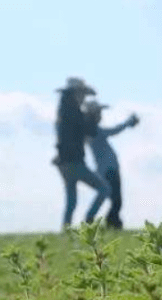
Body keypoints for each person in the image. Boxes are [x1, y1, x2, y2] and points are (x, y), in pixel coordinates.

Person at [52, 77, 110, 228]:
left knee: (71, 201)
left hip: (64, 163)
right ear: (74, 93)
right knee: (104, 189)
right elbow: (89, 130)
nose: (83, 97)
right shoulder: (73, 113)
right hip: (74, 163)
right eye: (81, 93)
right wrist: (92, 116)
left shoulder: (64, 112)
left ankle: (66, 228)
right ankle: (89, 221)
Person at [83, 101, 139, 229]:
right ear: (94, 115)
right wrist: (128, 122)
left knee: (115, 200)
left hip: (107, 169)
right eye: (99, 112)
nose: (101, 115)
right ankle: (111, 223)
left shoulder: (92, 131)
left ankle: (111, 222)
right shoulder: (94, 131)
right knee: (116, 200)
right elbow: (114, 130)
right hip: (109, 170)